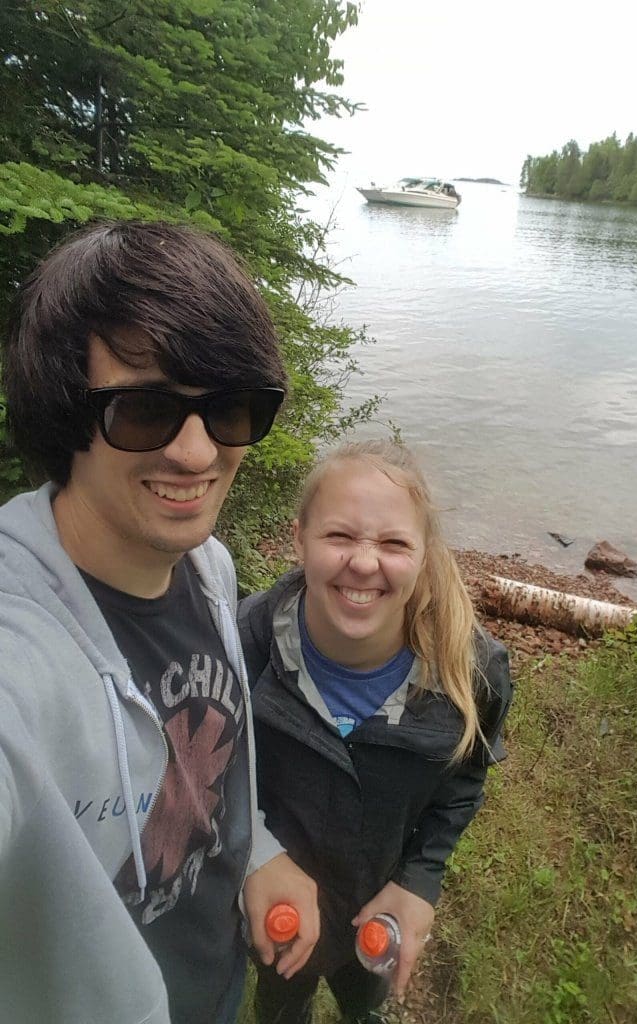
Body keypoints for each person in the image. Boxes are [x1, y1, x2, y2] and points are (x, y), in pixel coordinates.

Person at [0, 220, 320, 1024]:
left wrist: (259, 853)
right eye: (145, 411)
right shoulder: (19, 645)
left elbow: (201, 768)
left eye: (229, 409)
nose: (195, 451)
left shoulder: (208, 568)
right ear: (67, 413)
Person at [238, 439, 513, 1024]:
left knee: (367, 1006)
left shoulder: (470, 673)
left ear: (422, 554)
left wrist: (420, 878)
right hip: (281, 904)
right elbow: (212, 770)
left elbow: (462, 784)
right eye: (340, 536)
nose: (364, 563)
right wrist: (255, 854)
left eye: (393, 543)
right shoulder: (247, 642)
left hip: (378, 909)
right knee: (281, 1005)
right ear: (299, 541)